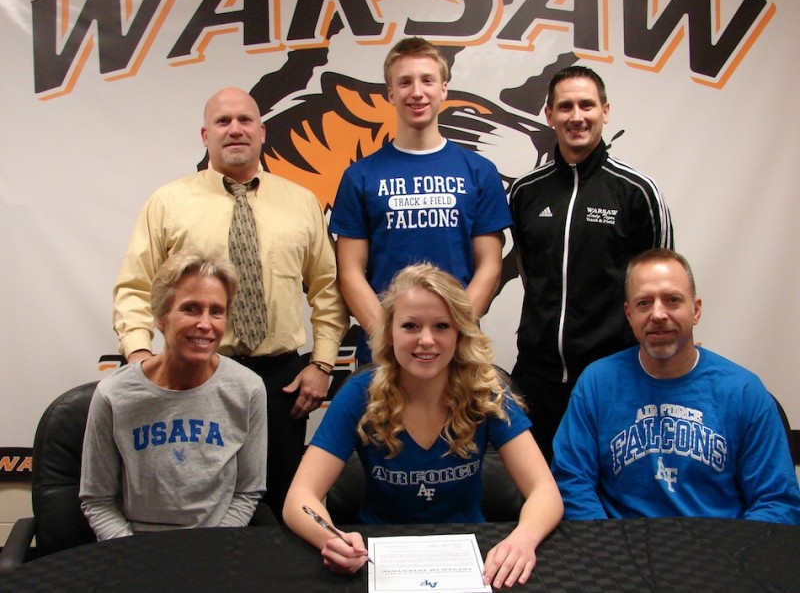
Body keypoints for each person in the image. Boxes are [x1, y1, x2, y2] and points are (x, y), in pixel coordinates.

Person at [112, 87, 349, 520]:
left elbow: (328, 290)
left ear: (262, 132)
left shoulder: (301, 202)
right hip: (195, 377)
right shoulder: (168, 203)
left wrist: (322, 364)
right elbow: (135, 286)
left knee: (281, 504)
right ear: (206, 135)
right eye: (223, 122)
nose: (234, 129)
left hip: (282, 384)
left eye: (244, 120)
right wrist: (140, 356)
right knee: (199, 502)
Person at [283, 263, 563, 589]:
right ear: (390, 332)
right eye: (411, 326)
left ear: (459, 333)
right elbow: (299, 499)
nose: (426, 340)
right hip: (377, 562)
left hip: (472, 560)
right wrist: (333, 540)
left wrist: (523, 538)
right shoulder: (359, 394)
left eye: (441, 326)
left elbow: (545, 492)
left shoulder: (486, 391)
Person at [551, 249, 800, 524]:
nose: (658, 314)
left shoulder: (744, 392)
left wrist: (734, 560)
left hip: (720, 553)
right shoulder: (597, 384)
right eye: (644, 303)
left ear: (695, 310)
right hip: (621, 550)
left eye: (672, 300)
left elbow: (776, 501)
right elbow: (571, 482)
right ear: (629, 313)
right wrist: (606, 547)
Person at [509, 65, 673, 463]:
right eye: (565, 106)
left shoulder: (638, 192)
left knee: (608, 493)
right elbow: (532, 275)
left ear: (605, 110)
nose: (576, 116)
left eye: (587, 105)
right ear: (549, 115)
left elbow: (660, 290)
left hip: (614, 375)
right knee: (538, 491)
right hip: (537, 376)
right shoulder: (524, 192)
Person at [330, 37, 512, 364]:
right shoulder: (360, 176)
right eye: (404, 82)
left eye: (427, 80)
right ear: (390, 93)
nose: (416, 91)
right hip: (382, 353)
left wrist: (450, 333)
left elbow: (490, 267)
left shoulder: (479, 172)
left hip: (459, 350)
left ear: (443, 88)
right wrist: (390, 338)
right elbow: (350, 272)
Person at [81, 249, 267, 539]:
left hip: (214, 546)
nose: (205, 324)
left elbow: (247, 492)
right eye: (191, 308)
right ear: (160, 316)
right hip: (135, 548)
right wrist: (132, 555)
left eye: (216, 311)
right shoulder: (114, 395)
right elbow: (98, 500)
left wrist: (209, 551)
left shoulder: (248, 389)